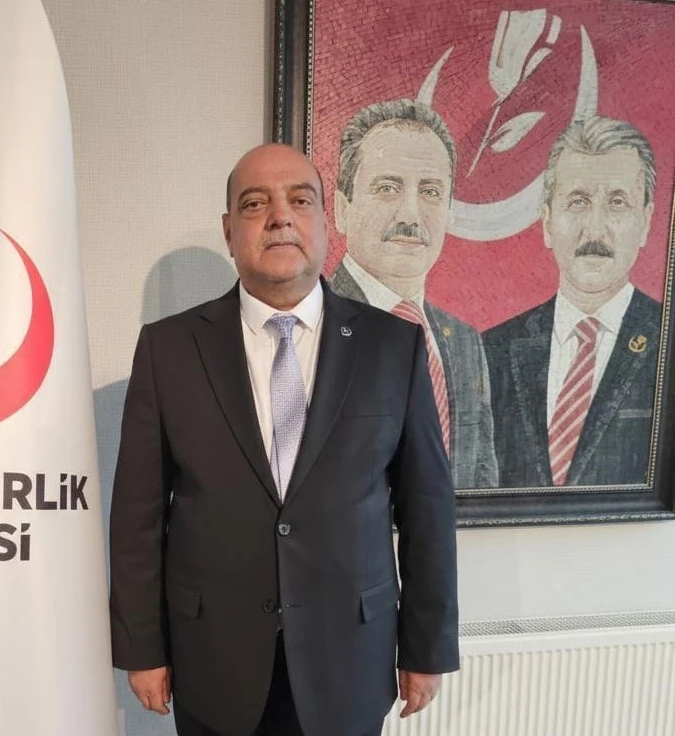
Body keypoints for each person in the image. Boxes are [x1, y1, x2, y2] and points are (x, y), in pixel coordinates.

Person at [109, 143, 459, 736]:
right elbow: (137, 517)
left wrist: (427, 646)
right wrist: (142, 647)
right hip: (213, 660)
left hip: (349, 657)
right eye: (255, 204)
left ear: (325, 221)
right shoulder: (169, 350)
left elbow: (426, 507)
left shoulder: (392, 346)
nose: (279, 217)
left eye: (300, 200)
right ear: (230, 231)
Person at [329, 99, 498, 489]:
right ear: (341, 210)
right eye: (387, 188)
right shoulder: (310, 327)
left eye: (431, 192)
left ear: (449, 212)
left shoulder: (465, 342)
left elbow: (481, 483)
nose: (410, 215)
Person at [484, 116, 661, 487]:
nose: (594, 229)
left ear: (645, 223)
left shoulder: (667, 340)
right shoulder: (490, 352)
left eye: (617, 202)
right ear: (548, 222)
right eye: (578, 202)